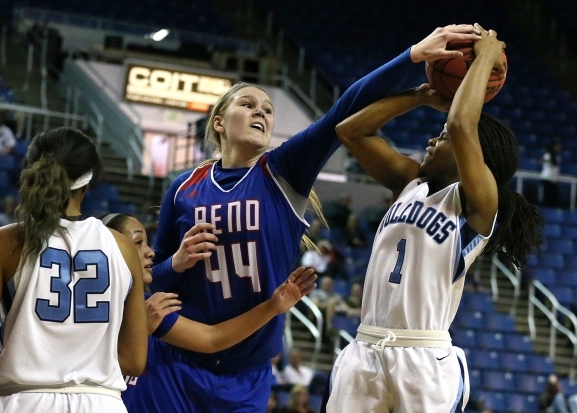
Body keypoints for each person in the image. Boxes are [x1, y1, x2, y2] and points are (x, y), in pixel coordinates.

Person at [141, 24, 483, 413]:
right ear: (219, 122)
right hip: (175, 359)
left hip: (247, 372)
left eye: (268, 110)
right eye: (248, 105)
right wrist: (178, 261)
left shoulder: (283, 169)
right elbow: (153, 279)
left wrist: (411, 60)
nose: (261, 113)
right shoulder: (183, 187)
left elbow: (343, 112)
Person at [326, 25, 544, 412]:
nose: (432, 140)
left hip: (423, 357)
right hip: (365, 348)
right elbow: (351, 130)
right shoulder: (408, 182)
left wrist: (488, 55)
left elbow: (462, 124)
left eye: (440, 137)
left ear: (472, 157)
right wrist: (419, 96)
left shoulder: (478, 203)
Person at [0, 127, 148, 413]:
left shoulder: (2, 242)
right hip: (100, 403)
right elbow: (134, 361)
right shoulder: (123, 247)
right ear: (88, 181)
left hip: (24, 400)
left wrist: (23, 363)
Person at [98, 213, 317, 408]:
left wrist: (272, 307)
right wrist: (137, 332)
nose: (150, 252)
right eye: (138, 242)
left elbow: (211, 339)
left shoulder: (149, 305)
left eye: (147, 242)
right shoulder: (88, 309)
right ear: (109, 250)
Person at [540, 140, 563, 208]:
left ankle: (552, 208)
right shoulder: (548, 155)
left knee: (554, 195)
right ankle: (546, 209)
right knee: (548, 195)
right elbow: (542, 161)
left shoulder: (557, 156)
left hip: (554, 178)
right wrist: (545, 160)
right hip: (547, 177)